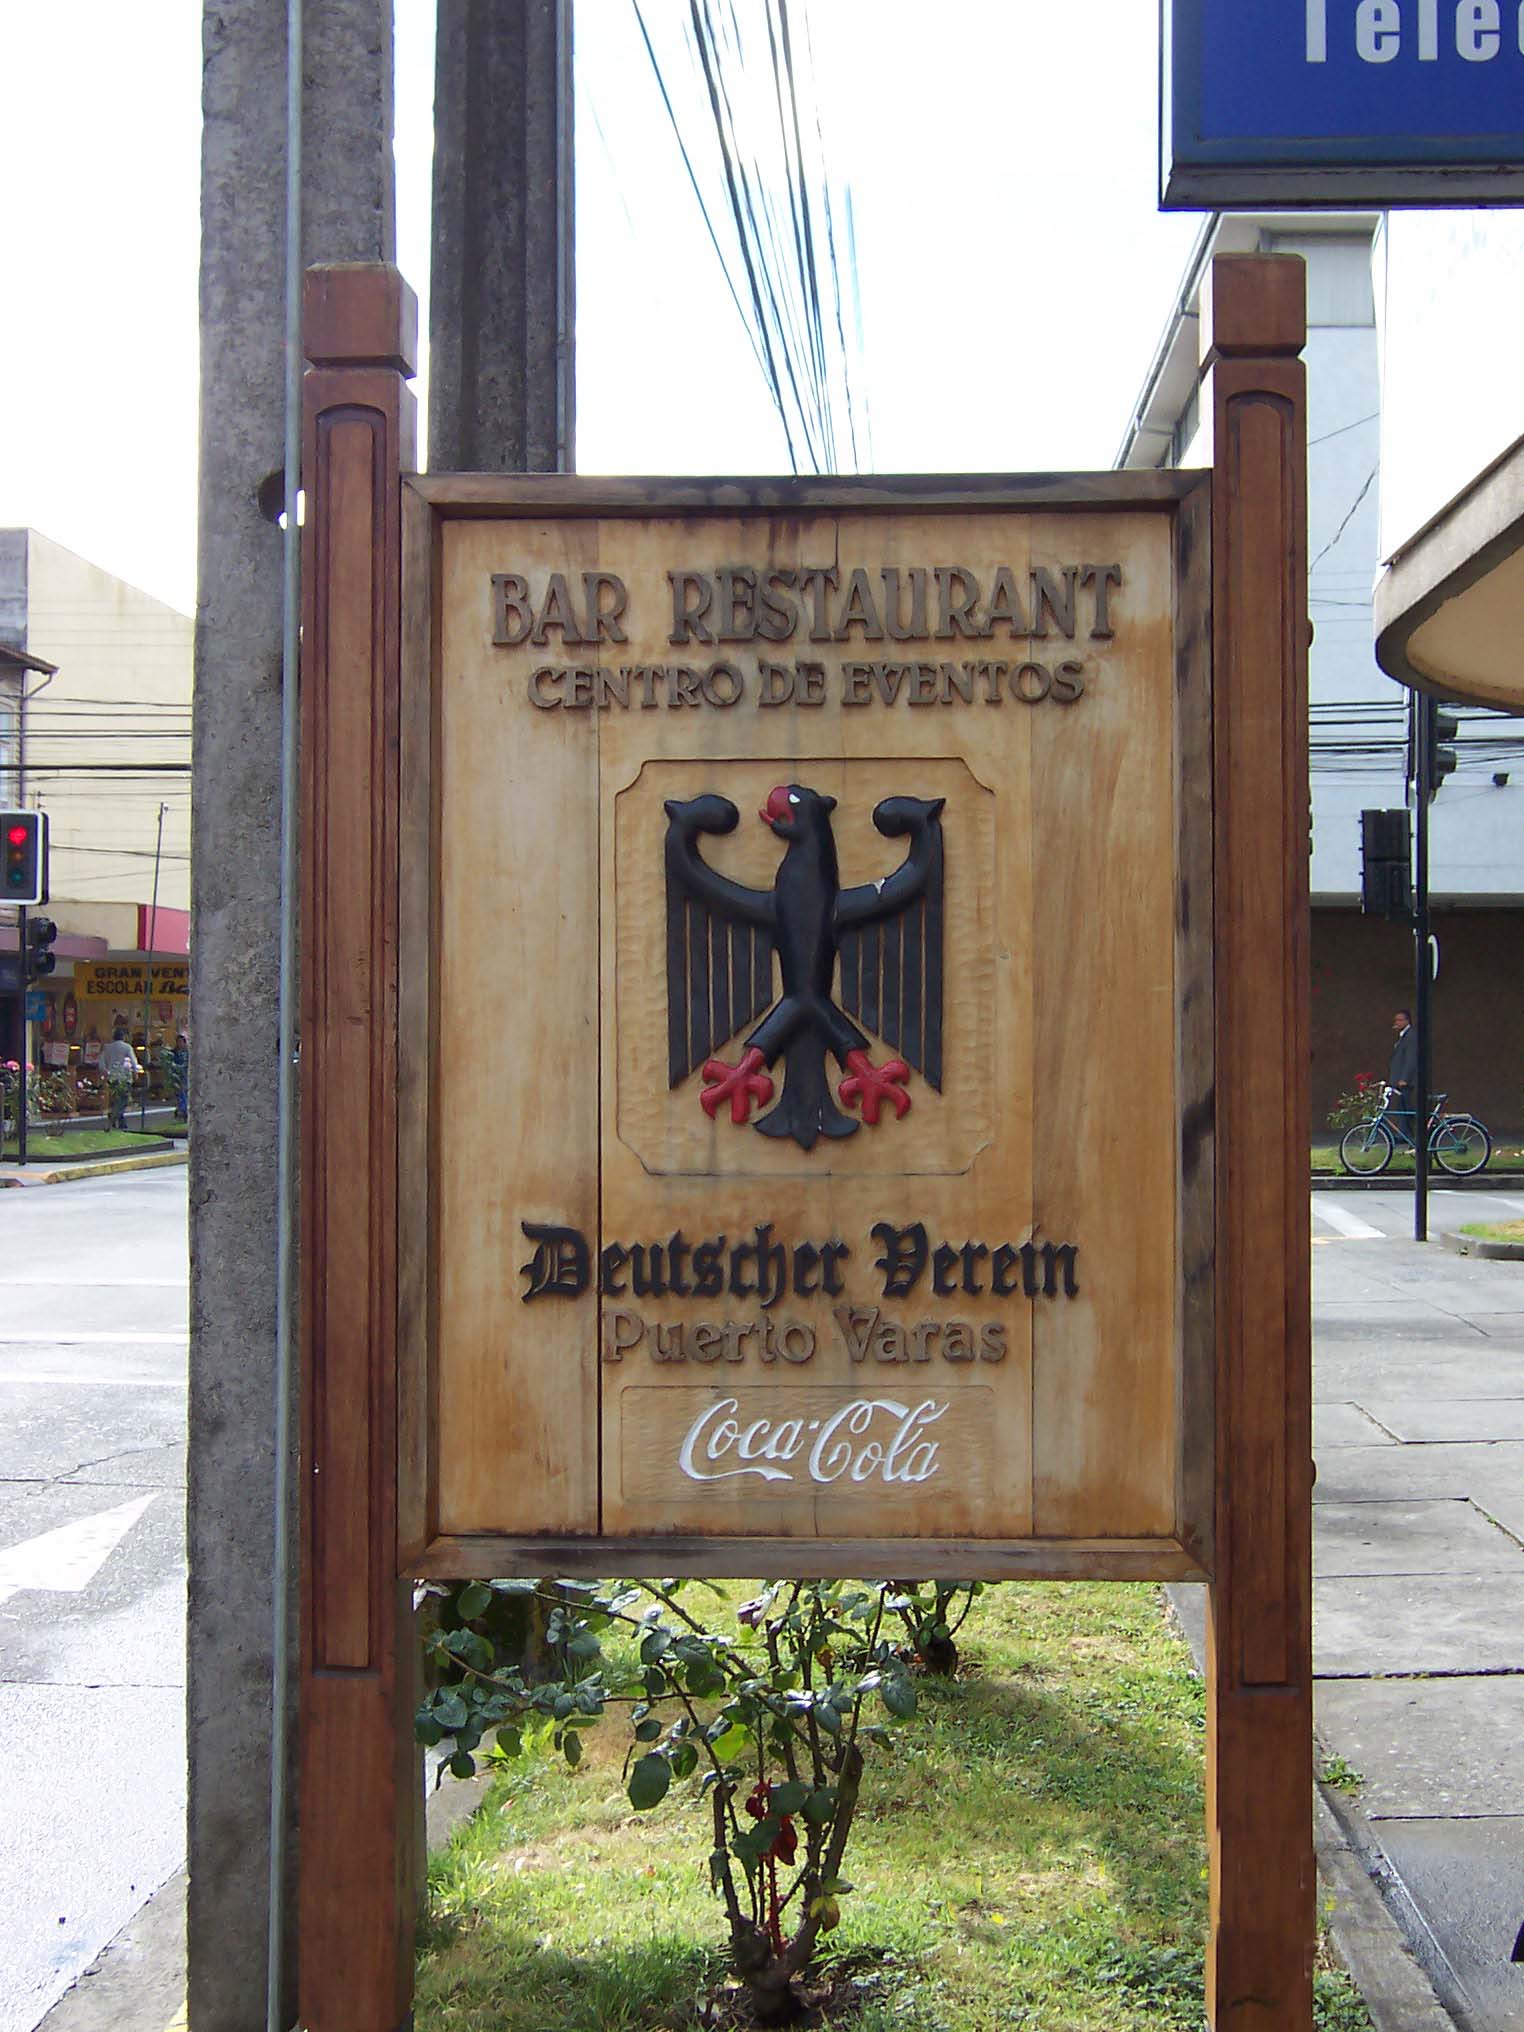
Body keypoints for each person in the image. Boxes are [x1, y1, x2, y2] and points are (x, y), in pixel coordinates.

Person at [100, 1026, 141, 1132]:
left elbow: (101, 1062)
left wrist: (105, 1072)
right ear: (123, 1037)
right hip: (124, 1077)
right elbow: (133, 1061)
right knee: (124, 1099)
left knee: (115, 1099)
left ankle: (116, 1117)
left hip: (112, 1076)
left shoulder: (107, 1047)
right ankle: (117, 1116)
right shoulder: (127, 1047)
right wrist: (135, 1072)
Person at [1387, 1008, 1418, 1132]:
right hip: (1401, 1082)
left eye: (1400, 1020)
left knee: (1408, 1110)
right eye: (1396, 1020)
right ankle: (1406, 1135)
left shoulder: (1410, 1036)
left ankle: (1413, 1137)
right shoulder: (1404, 1036)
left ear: (1407, 1021)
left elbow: (1411, 1058)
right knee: (1403, 1109)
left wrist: (1404, 1078)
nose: (1397, 1022)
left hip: (1406, 1082)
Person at [168, 1032, 190, 1122]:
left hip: (185, 1075)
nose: (180, 1044)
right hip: (177, 1076)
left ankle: (183, 1111)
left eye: (181, 1042)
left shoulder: (187, 1053)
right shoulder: (173, 1053)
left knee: (184, 1093)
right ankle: (182, 1110)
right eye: (178, 1042)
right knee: (180, 1094)